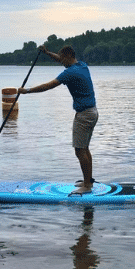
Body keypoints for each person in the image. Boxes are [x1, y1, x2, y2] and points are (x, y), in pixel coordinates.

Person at [18, 45, 98, 195]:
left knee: (80, 150)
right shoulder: (82, 65)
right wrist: (47, 53)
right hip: (92, 112)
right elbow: (60, 59)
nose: (61, 62)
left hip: (84, 115)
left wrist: (27, 91)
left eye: (62, 59)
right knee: (85, 148)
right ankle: (88, 180)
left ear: (68, 56)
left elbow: (48, 86)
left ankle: (87, 186)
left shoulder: (69, 73)